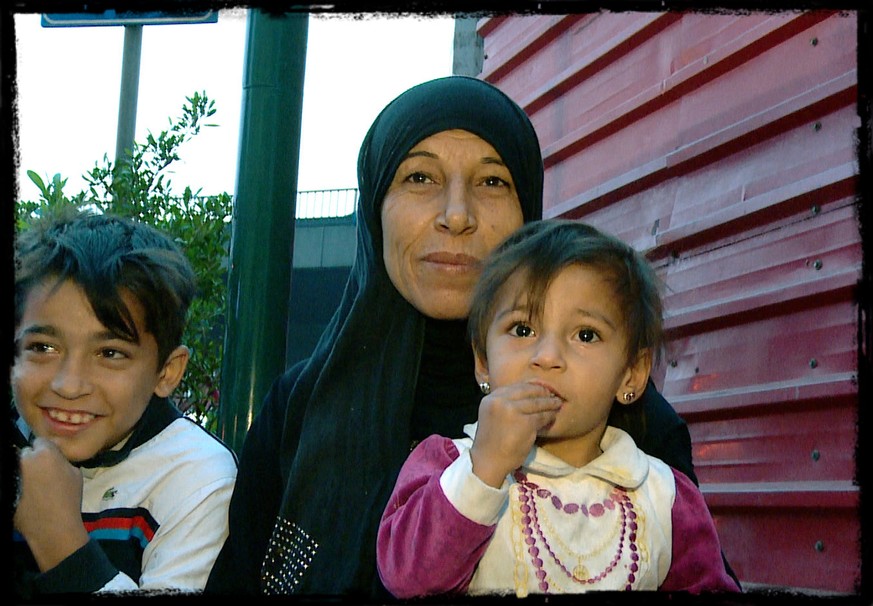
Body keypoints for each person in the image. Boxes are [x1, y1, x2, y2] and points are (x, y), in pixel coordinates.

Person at [206, 75, 701, 598]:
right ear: (375, 207)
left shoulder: (616, 415)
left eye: (492, 183)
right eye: (420, 178)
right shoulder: (301, 409)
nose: (457, 215)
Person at [377, 220, 741, 597]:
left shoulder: (665, 497)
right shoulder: (447, 467)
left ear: (631, 374)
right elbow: (408, 579)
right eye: (522, 330)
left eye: (585, 335)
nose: (547, 357)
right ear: (483, 361)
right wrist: (483, 470)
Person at [12, 208, 238, 598]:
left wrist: (62, 545)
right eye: (43, 347)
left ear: (167, 371)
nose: (68, 385)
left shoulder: (197, 482)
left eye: (110, 353)